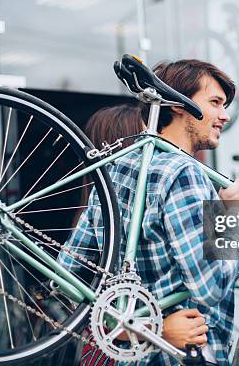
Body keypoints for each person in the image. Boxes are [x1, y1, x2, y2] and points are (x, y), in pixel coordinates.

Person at [61, 59, 239, 365]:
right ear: (179, 105)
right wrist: (238, 214)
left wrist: (139, 328)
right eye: (215, 103)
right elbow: (211, 287)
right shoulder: (184, 173)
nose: (224, 115)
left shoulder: (114, 171)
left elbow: (67, 278)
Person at [79, 104, 212, 366]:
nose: (149, 145)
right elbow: (210, 286)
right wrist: (154, 329)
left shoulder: (99, 202)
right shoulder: (167, 180)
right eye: (139, 137)